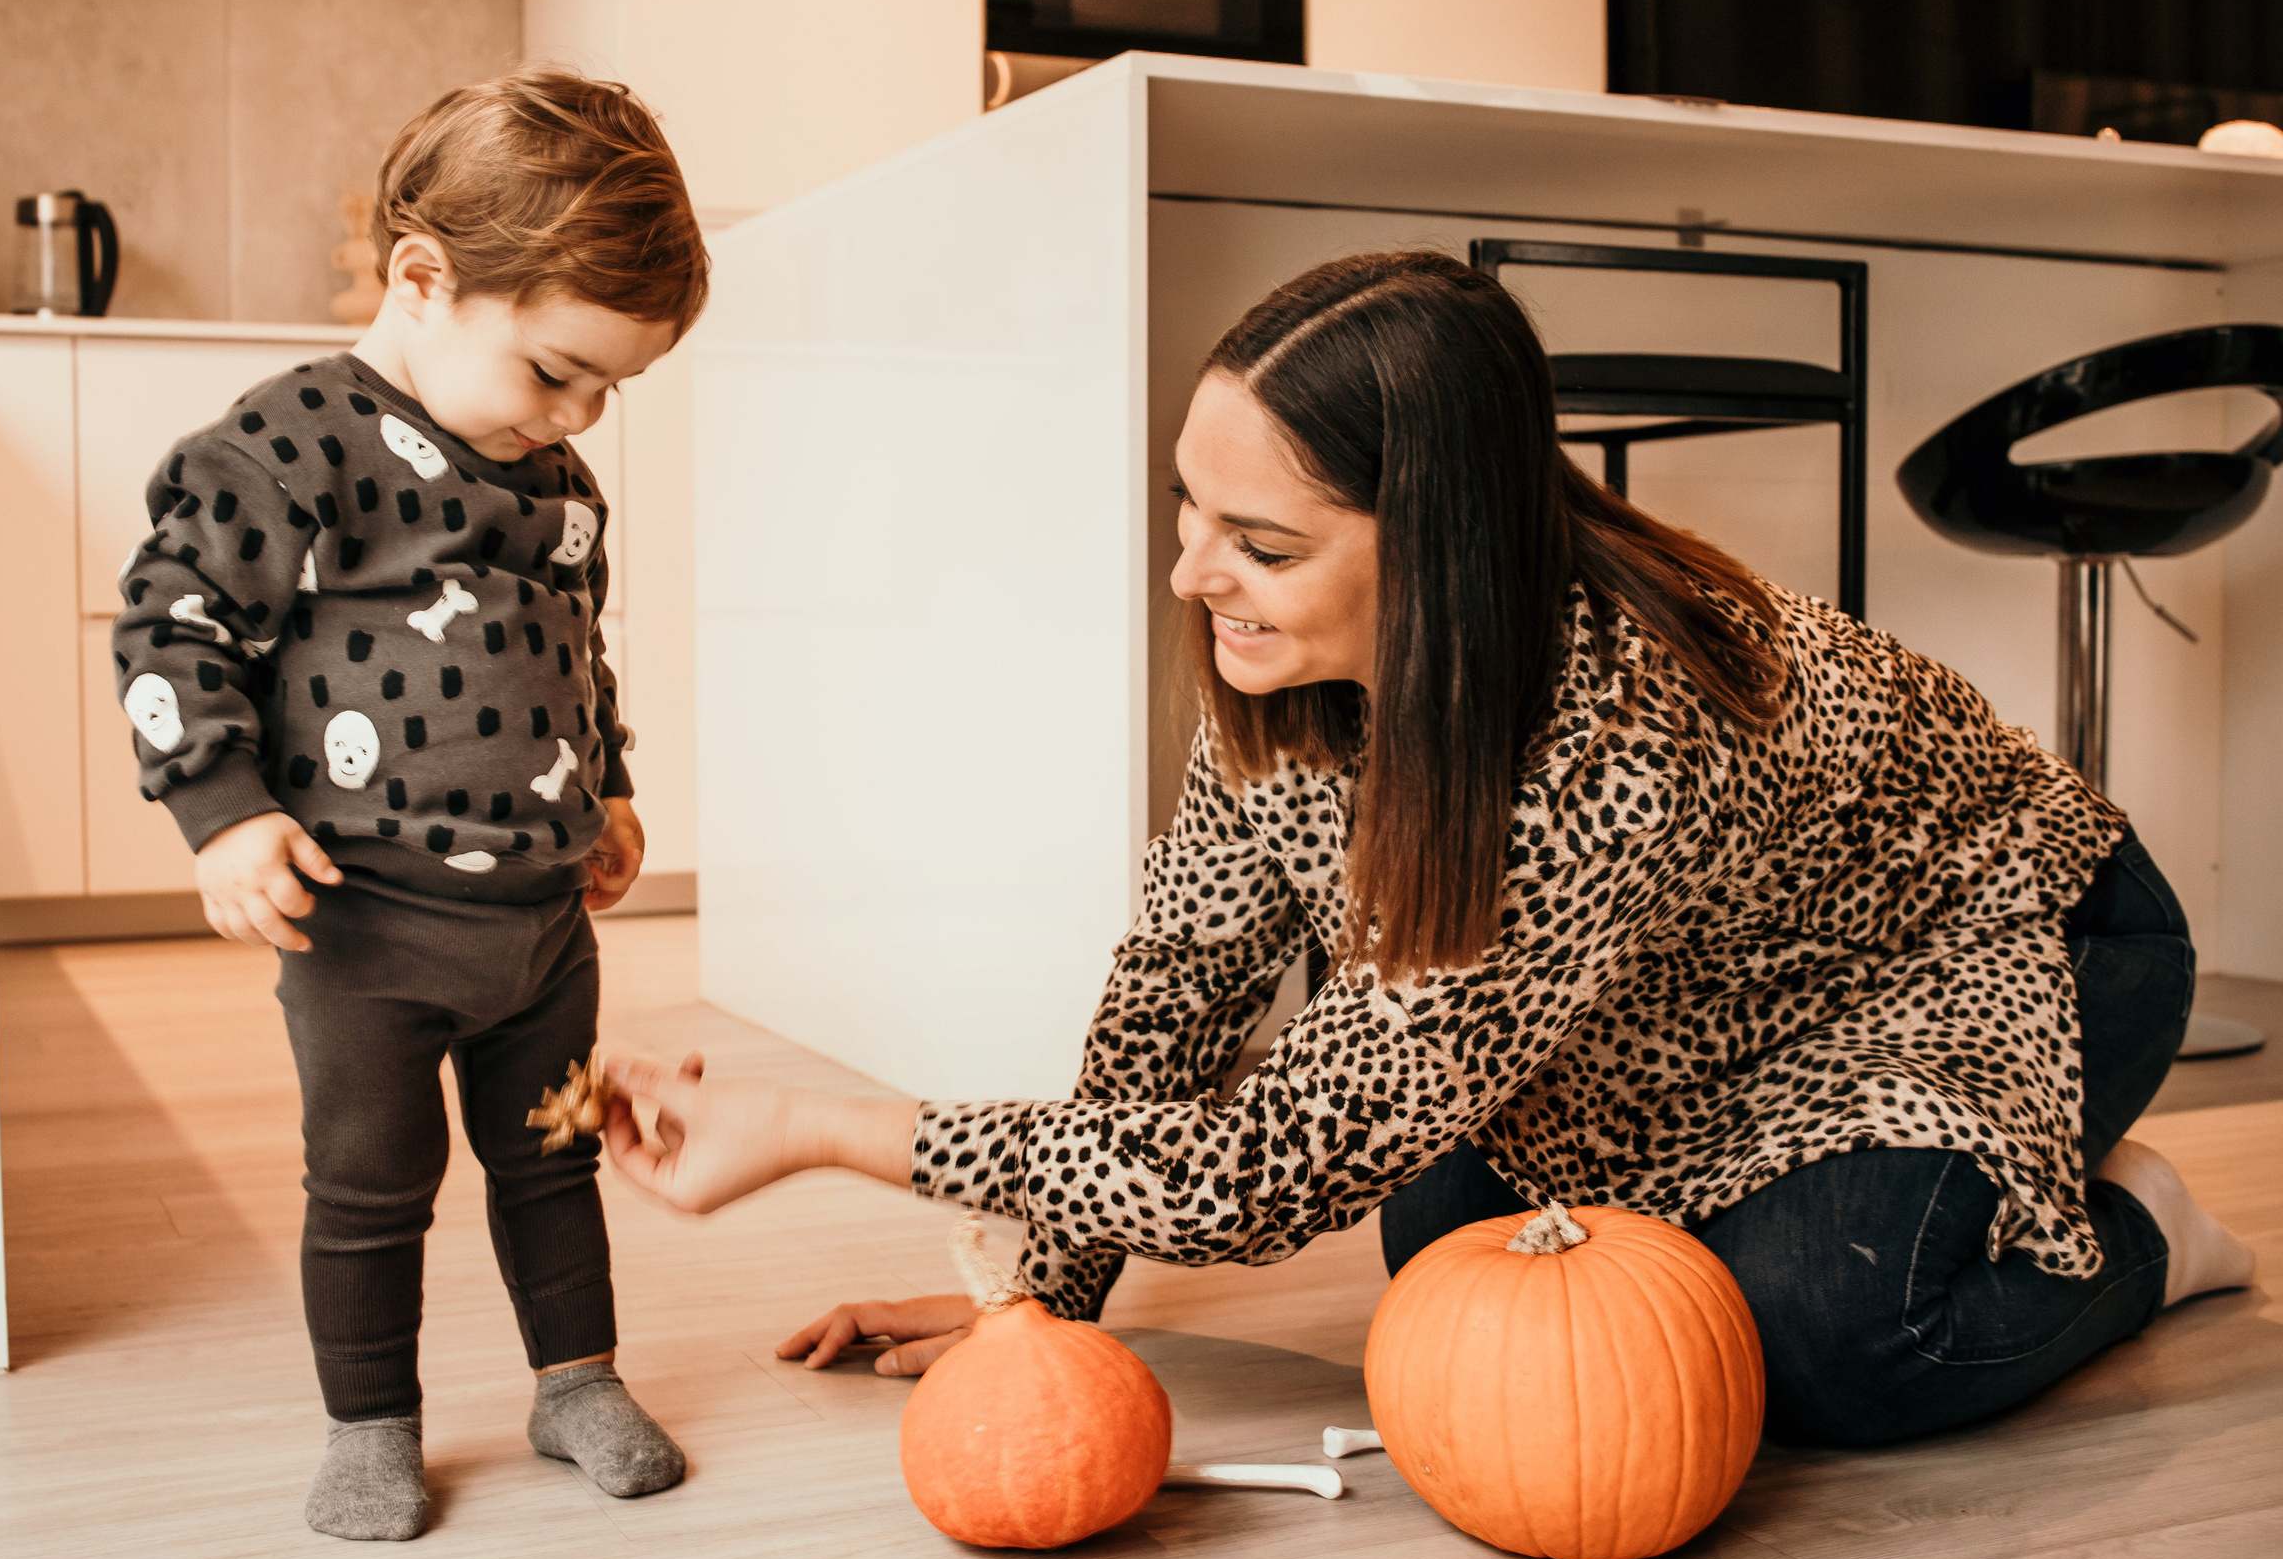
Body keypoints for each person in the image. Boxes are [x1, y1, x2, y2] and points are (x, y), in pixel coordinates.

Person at [594, 249, 2256, 1446]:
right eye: (1187, 508)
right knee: (1447, 1269)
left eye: (1256, 540)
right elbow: (1182, 983)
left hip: (1991, 949)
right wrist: (1042, 1308)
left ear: (1442, 556)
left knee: (1828, 1349)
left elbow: (1259, 1174)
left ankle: (2145, 1231)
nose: (1192, 574)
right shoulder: (1291, 657)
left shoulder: (1616, 740)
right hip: (1653, 1022)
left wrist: (823, 1125)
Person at [109, 66, 707, 1539]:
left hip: (542, 929)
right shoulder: (289, 445)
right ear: (425, 279)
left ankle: (575, 1382)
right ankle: (370, 1422)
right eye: (557, 369)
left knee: (553, 1161)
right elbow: (170, 632)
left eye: (608, 387)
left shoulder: (552, 477)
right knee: (371, 1189)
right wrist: (226, 812)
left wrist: (610, 786)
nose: (579, 414)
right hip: (368, 926)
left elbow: (578, 643)